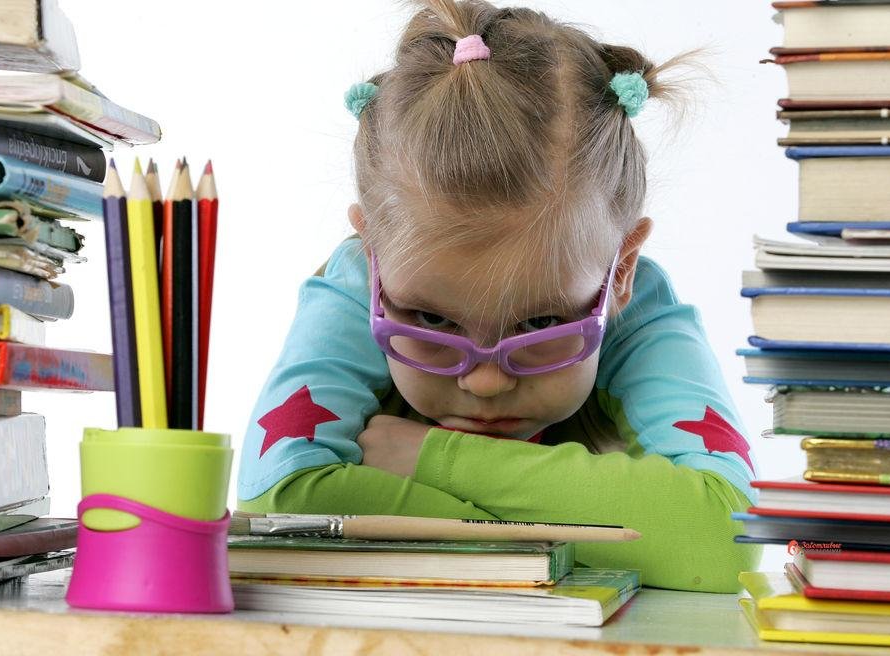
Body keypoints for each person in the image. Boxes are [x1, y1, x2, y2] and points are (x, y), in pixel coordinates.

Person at [238, 0, 760, 592]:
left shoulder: (636, 307)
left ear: (620, 271)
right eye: (431, 319)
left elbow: (730, 537)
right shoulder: (361, 281)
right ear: (371, 254)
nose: (485, 384)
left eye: (540, 322)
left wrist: (433, 459)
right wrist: (619, 530)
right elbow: (278, 502)